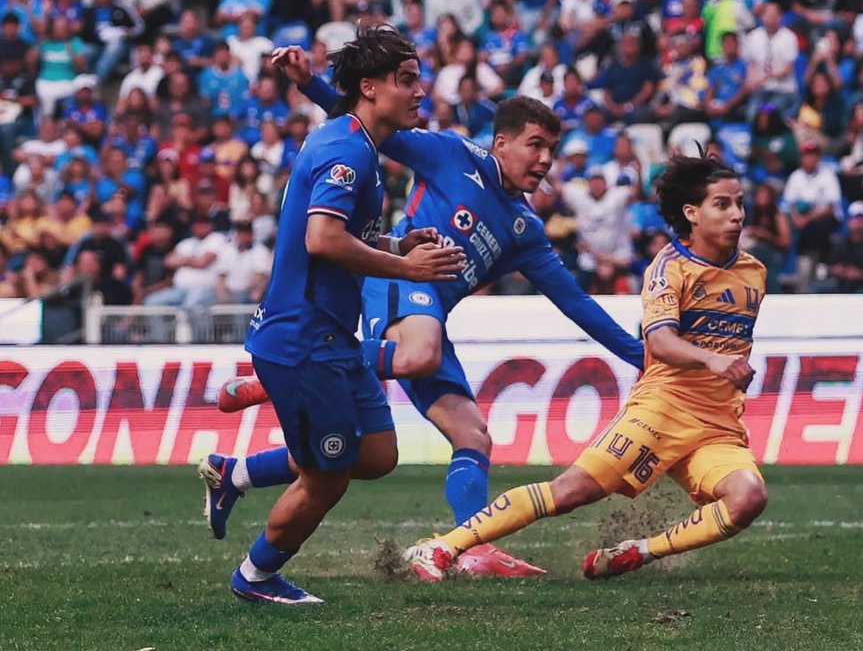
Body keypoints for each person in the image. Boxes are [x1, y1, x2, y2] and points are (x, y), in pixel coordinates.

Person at [211, 44, 647, 578]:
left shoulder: (525, 231)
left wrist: (640, 355)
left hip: (427, 310)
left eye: (551, 150)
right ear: (501, 142)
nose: (544, 160)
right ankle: (284, 381)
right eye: (535, 145)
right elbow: (373, 124)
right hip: (392, 284)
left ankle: (470, 545)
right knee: (417, 355)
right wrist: (308, 84)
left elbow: (576, 303)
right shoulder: (452, 155)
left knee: (465, 437)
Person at [402, 149, 767, 582]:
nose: (736, 215)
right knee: (571, 492)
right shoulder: (669, 268)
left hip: (718, 424)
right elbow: (660, 342)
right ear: (691, 213)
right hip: (661, 411)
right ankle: (442, 546)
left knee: (748, 498)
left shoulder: (754, 273)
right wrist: (713, 359)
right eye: (722, 204)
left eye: (739, 203)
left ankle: (638, 552)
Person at [204, 26, 466, 605]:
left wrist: (398, 245)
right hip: (303, 339)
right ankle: (257, 576)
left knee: (376, 454)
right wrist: (408, 270)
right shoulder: (346, 151)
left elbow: (345, 236)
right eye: (406, 80)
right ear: (368, 89)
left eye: (418, 78)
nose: (419, 91)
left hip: (331, 336)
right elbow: (322, 239)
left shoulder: (358, 145)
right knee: (327, 476)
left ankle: (235, 473)